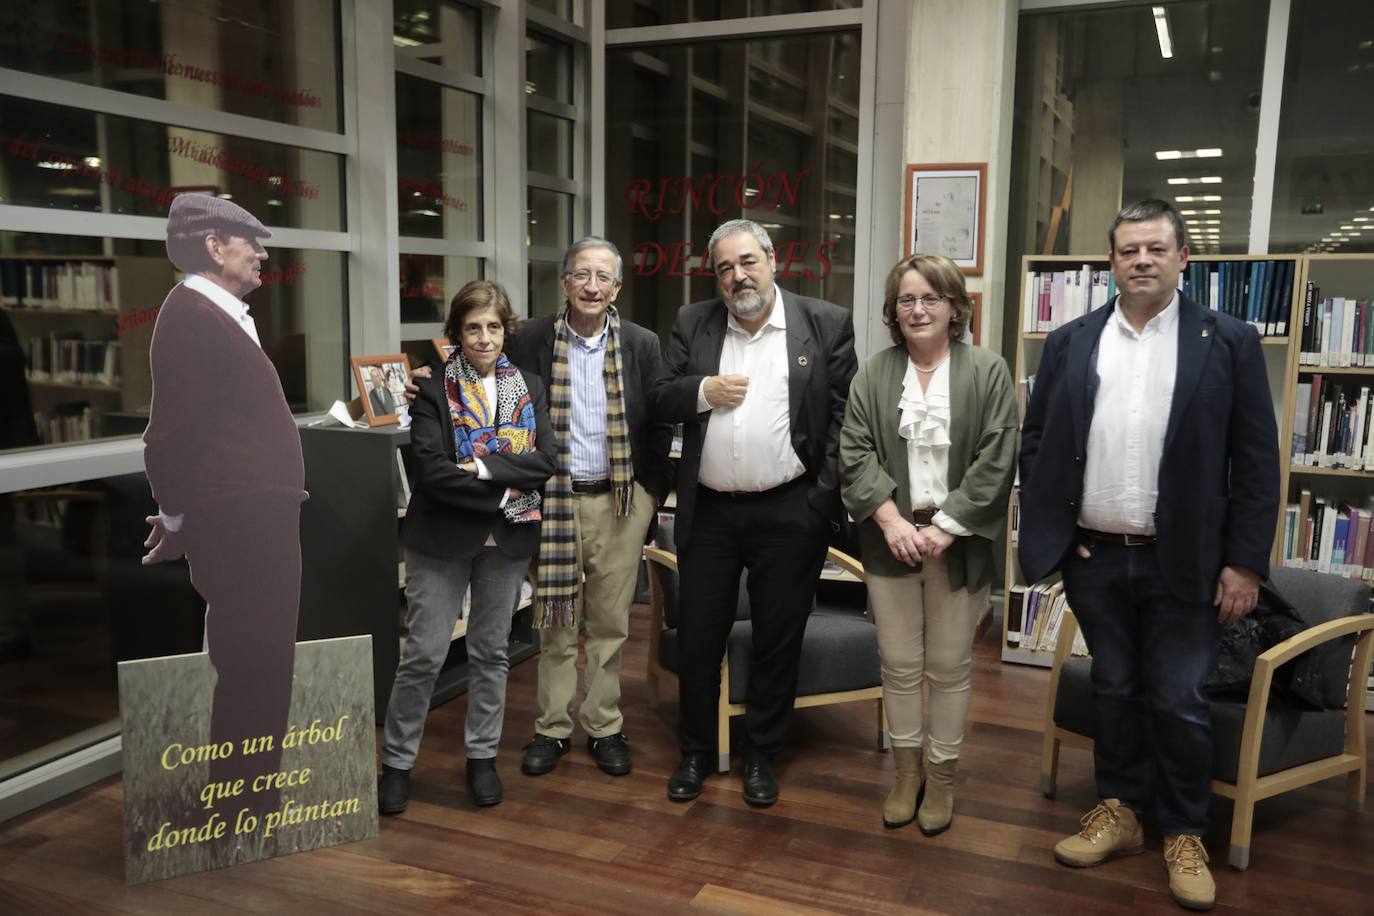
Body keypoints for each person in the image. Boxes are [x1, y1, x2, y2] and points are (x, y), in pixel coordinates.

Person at [1018, 199, 1279, 911]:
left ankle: (1187, 832)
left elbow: (1256, 462)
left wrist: (1245, 563)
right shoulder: (1071, 341)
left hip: (1187, 562)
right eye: (1128, 250)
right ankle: (1120, 812)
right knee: (1115, 690)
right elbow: (1037, 442)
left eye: (1156, 249)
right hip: (1095, 556)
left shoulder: (1227, 341)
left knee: (1180, 699)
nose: (1141, 261)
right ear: (1110, 262)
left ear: (1183, 258)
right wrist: (1058, 525)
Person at [651, 218, 857, 807]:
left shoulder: (823, 324)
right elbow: (660, 397)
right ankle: (694, 751)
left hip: (791, 510)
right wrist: (702, 392)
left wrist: (822, 495)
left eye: (747, 262)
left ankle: (762, 754)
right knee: (697, 635)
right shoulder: (695, 322)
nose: (738, 277)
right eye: (724, 268)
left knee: (777, 636)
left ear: (771, 260)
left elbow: (845, 416)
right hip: (711, 511)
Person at [838, 254, 1018, 835]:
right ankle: (906, 775)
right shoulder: (874, 373)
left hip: (957, 543)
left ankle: (941, 780)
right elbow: (855, 450)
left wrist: (946, 525)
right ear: (893, 311)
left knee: (948, 666)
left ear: (955, 307)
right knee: (898, 664)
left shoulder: (987, 370)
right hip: (891, 537)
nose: (917, 309)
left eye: (930, 298)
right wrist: (892, 523)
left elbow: (997, 456)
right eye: (906, 300)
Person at [142, 194, 305, 819]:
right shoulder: (192, 315)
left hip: (249, 514)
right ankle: (243, 804)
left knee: (260, 658)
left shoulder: (215, 312)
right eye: (250, 241)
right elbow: (171, 434)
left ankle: (250, 795)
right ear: (214, 246)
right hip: (241, 520)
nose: (262, 253)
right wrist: (180, 515)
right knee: (254, 660)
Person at [378, 281, 557, 814]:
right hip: (443, 540)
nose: (484, 337)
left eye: (494, 327)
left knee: (490, 652)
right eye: (473, 327)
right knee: (424, 655)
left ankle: (482, 757)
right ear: (456, 333)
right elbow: (432, 473)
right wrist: (507, 486)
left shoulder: (528, 386)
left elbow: (545, 461)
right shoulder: (432, 389)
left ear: (507, 331)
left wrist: (478, 468)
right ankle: (395, 763)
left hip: (505, 541)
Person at [505, 237, 674, 778]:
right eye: (582, 275)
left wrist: (651, 492)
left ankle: (604, 727)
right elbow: (483, 383)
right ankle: (551, 730)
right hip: (551, 501)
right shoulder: (528, 338)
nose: (593, 287)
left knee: (609, 624)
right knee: (554, 624)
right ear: (565, 282)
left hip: (620, 503)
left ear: (617, 288)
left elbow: (663, 419)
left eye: (604, 277)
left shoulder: (643, 345)